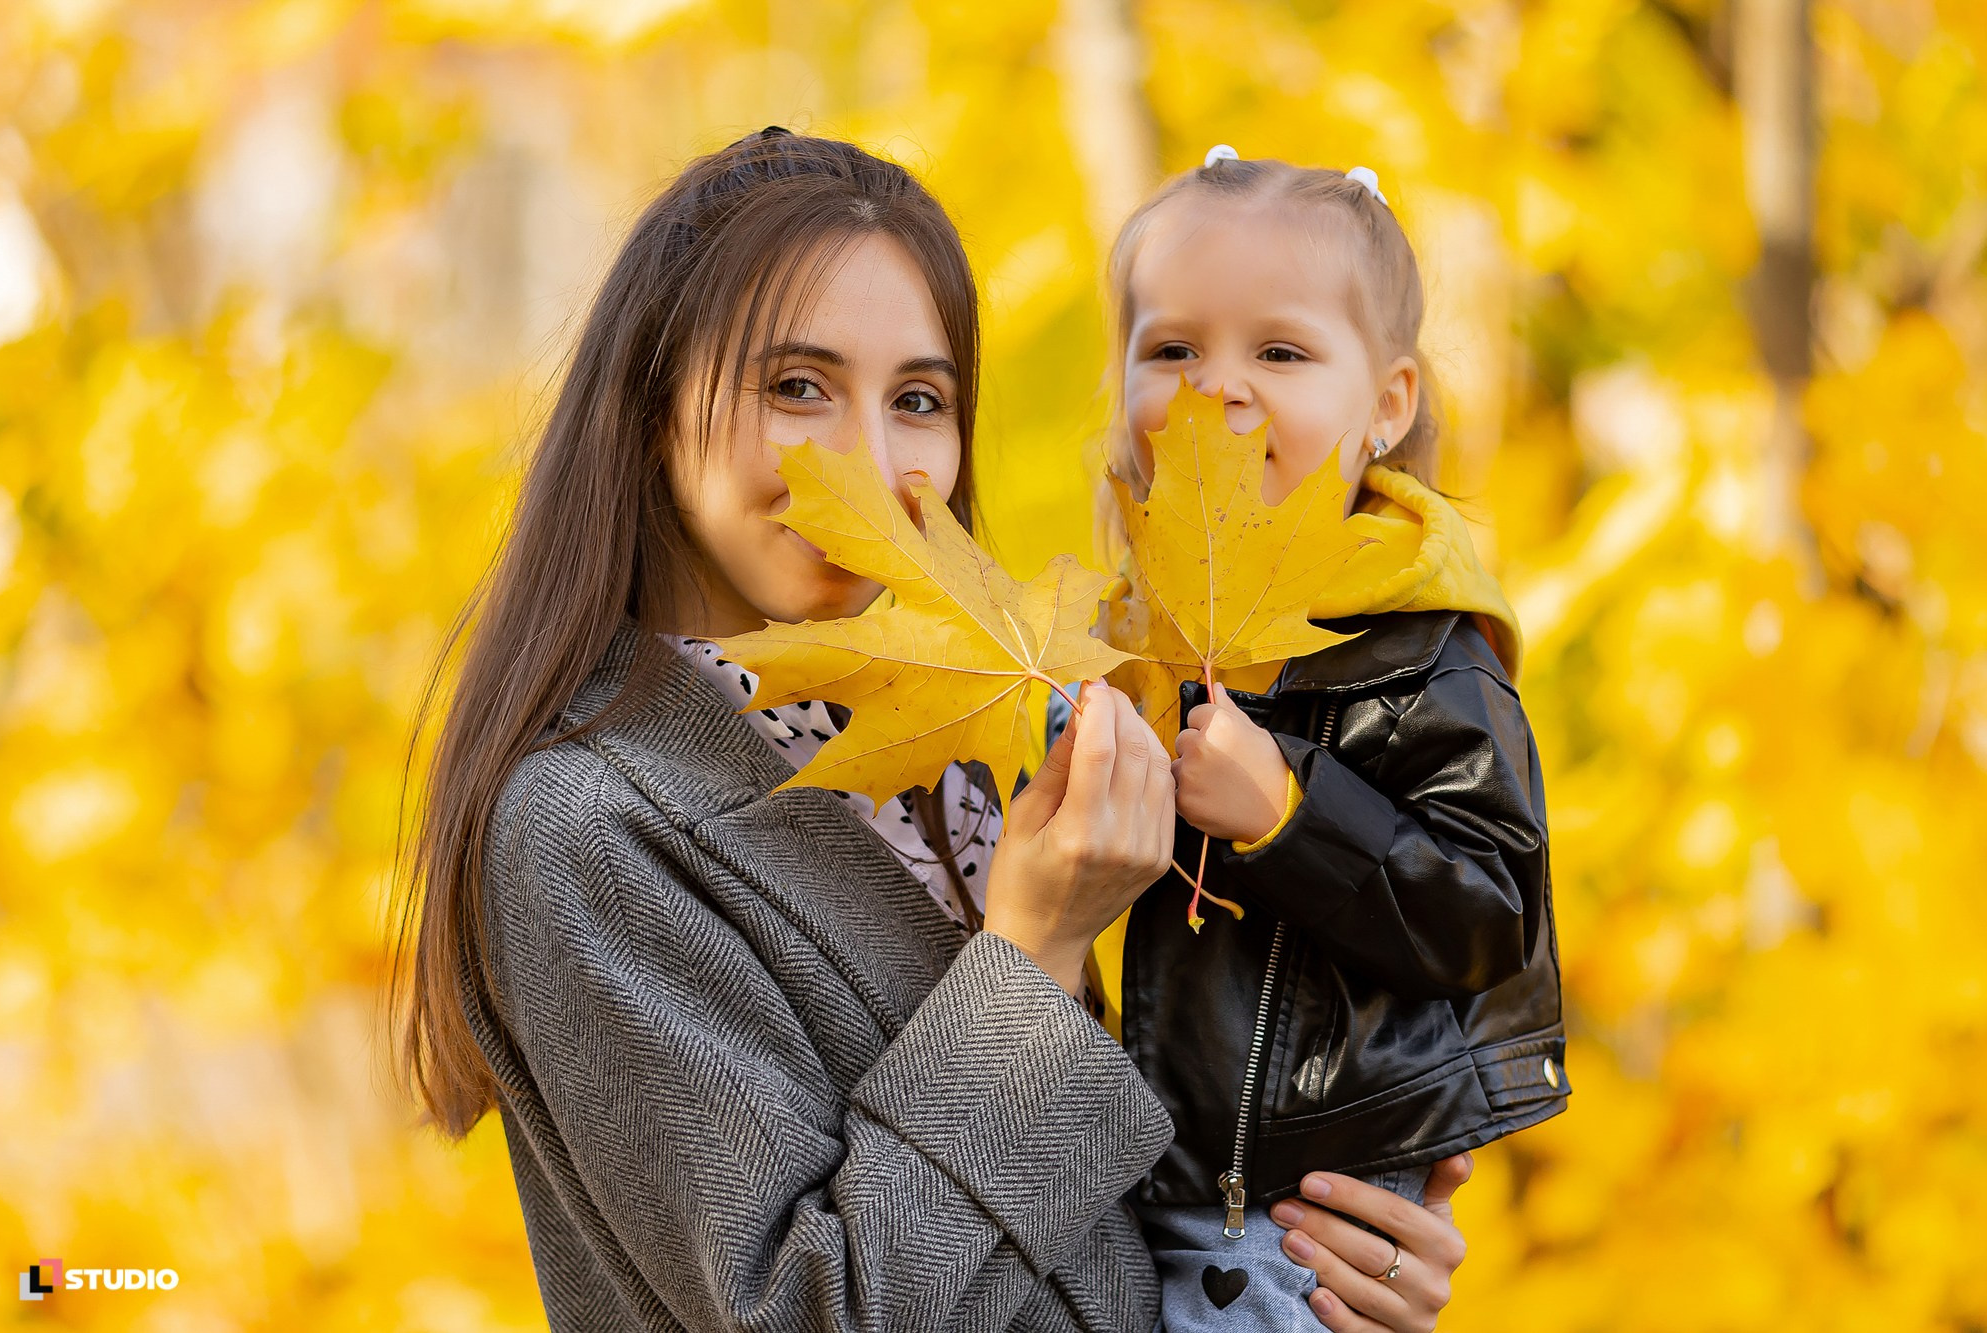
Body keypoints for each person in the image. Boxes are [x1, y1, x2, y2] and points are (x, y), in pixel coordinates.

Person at [391, 129, 1473, 1331]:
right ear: (653, 403)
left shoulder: (949, 753)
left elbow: (1072, 1250)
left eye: (917, 400)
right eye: (796, 386)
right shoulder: (586, 825)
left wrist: (1304, 1256)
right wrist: (1030, 953)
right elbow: (810, 1310)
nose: (870, 459)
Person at [1088, 147, 1569, 1328]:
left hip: (1304, 1219)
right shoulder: (1134, 641)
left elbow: (1491, 915)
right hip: (1144, 1181)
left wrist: (1291, 813)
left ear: (1386, 406)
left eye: (1280, 352)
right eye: (1172, 351)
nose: (1217, 391)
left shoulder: (1422, 657)